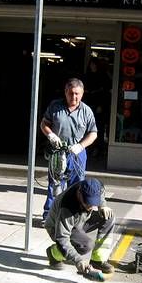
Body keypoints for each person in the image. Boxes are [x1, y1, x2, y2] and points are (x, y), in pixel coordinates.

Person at [40, 78, 97, 220]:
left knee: (77, 186)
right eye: (71, 93)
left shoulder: (86, 111)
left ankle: (73, 215)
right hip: (58, 151)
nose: (74, 97)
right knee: (55, 184)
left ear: (82, 93)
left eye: (77, 94)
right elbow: (44, 124)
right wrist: (51, 135)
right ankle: (49, 215)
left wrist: (81, 145)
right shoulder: (55, 106)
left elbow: (93, 133)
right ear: (65, 92)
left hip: (77, 153)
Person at [45, 178, 115, 275]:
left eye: (93, 203)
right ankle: (53, 253)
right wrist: (78, 260)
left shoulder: (97, 187)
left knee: (108, 216)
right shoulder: (67, 206)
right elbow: (62, 238)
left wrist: (102, 205)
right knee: (86, 245)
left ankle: (97, 260)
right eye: (87, 202)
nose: (90, 207)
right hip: (56, 228)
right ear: (79, 193)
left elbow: (101, 195)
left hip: (81, 221)